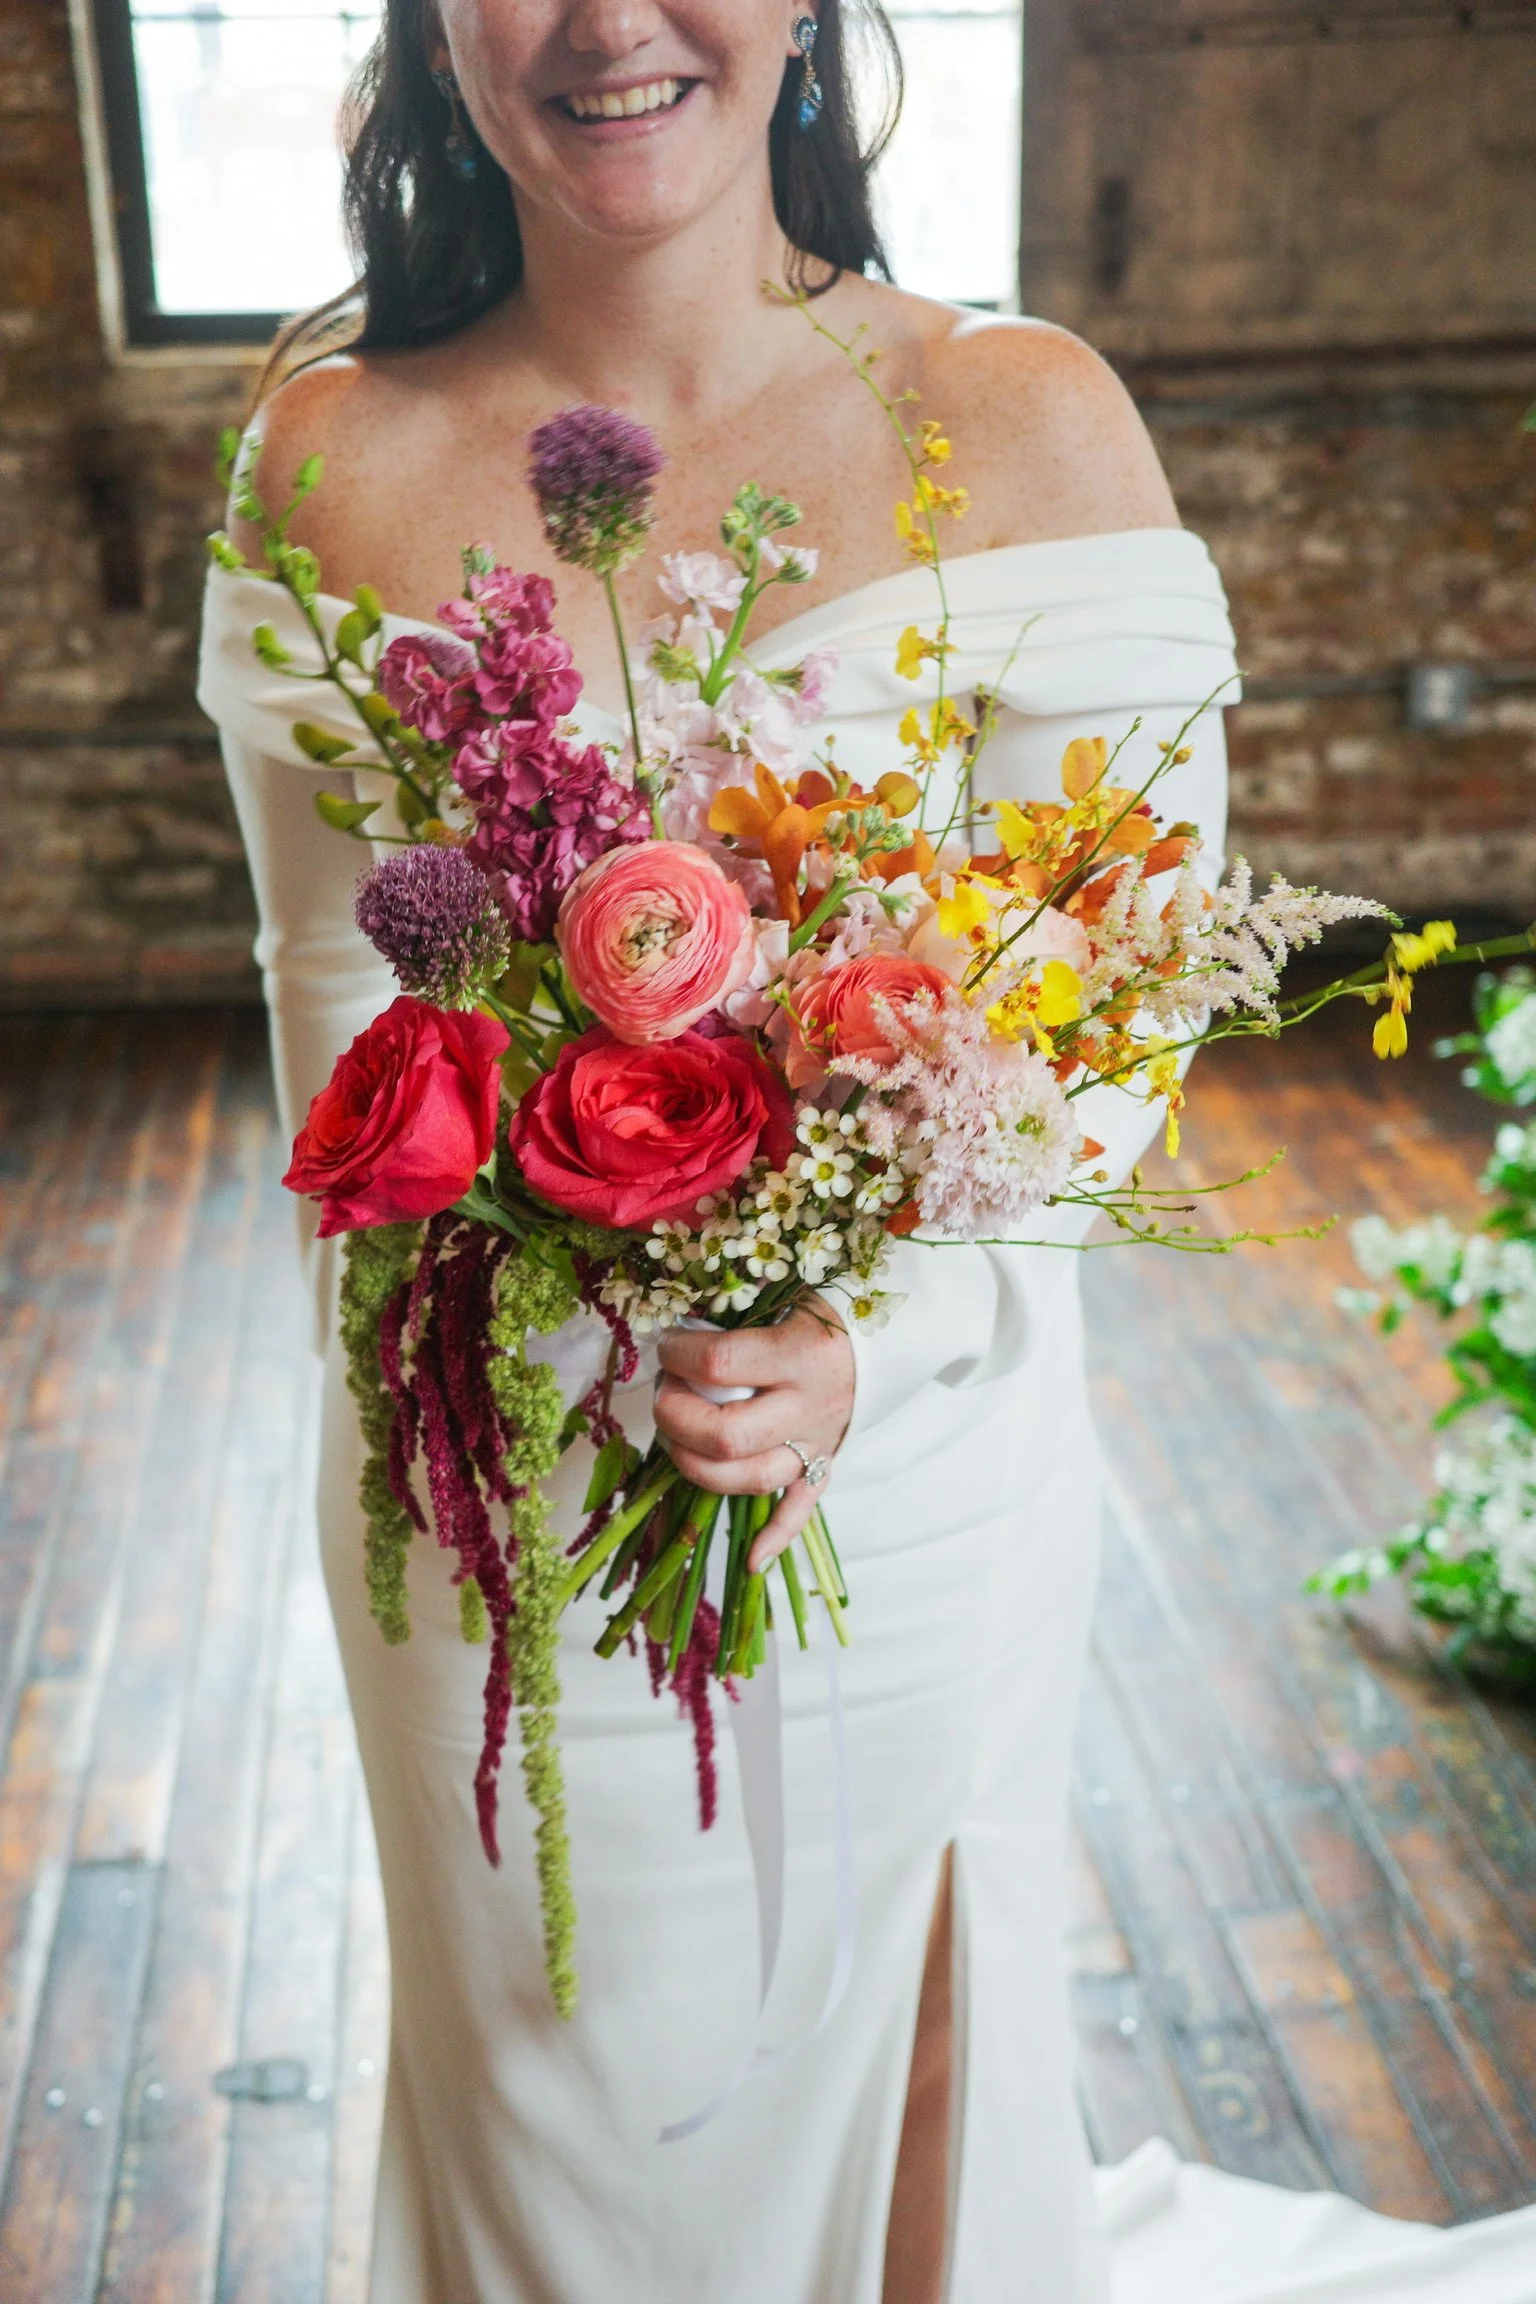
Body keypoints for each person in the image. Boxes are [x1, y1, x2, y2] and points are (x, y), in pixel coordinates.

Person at [197, 5, 1536, 2299]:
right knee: (546, 2091)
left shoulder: (1016, 422)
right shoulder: (329, 456)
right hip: (482, 1488)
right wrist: (492, 1363)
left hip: (910, 1471)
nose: (613, 20)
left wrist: (849, 1334)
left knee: (909, 2081)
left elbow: (1104, 1028)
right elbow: (340, 1006)